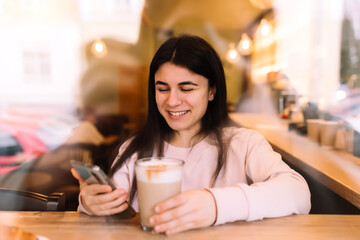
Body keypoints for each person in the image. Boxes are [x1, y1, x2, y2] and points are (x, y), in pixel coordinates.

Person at [73, 34, 311, 235]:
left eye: (187, 88)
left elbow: (298, 194)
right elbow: (107, 216)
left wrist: (215, 205)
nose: (172, 101)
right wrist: (90, 203)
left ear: (212, 91)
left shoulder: (244, 144)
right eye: (162, 89)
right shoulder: (134, 150)